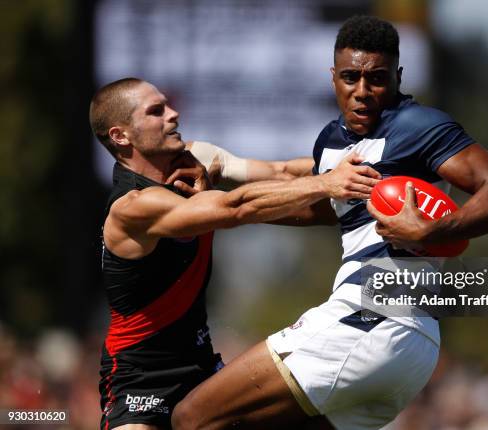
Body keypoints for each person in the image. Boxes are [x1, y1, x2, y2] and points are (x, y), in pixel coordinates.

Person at [172, 15, 488, 430]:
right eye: (350, 77)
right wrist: (225, 181)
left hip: (373, 316)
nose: (362, 92)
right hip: (411, 346)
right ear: (332, 77)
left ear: (398, 76)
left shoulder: (418, 126)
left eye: (376, 79)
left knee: (192, 417)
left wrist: (433, 231)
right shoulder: (332, 141)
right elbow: (317, 205)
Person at [90, 77, 381, 430]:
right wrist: (326, 184)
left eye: (168, 105)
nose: (174, 114)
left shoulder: (197, 157)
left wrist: (381, 158)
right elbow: (235, 208)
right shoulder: (132, 207)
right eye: (156, 111)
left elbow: (282, 171)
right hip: (139, 381)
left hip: (201, 367)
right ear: (121, 136)